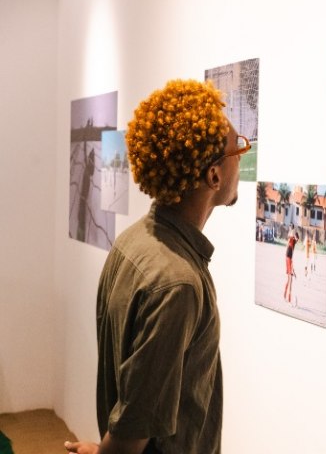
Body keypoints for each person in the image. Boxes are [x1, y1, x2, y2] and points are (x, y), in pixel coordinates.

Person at [64, 79, 251, 454]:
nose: (243, 155)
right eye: (238, 148)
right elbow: (134, 429)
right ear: (213, 175)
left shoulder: (132, 243)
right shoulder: (177, 284)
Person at [284, 229, 300, 305]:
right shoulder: (292, 239)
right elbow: (289, 236)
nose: (297, 241)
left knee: (289, 279)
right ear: (295, 237)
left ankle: (285, 295)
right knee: (290, 280)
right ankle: (289, 299)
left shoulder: (294, 242)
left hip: (288, 259)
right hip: (288, 259)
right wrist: (292, 233)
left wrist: (293, 271)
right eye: (297, 239)